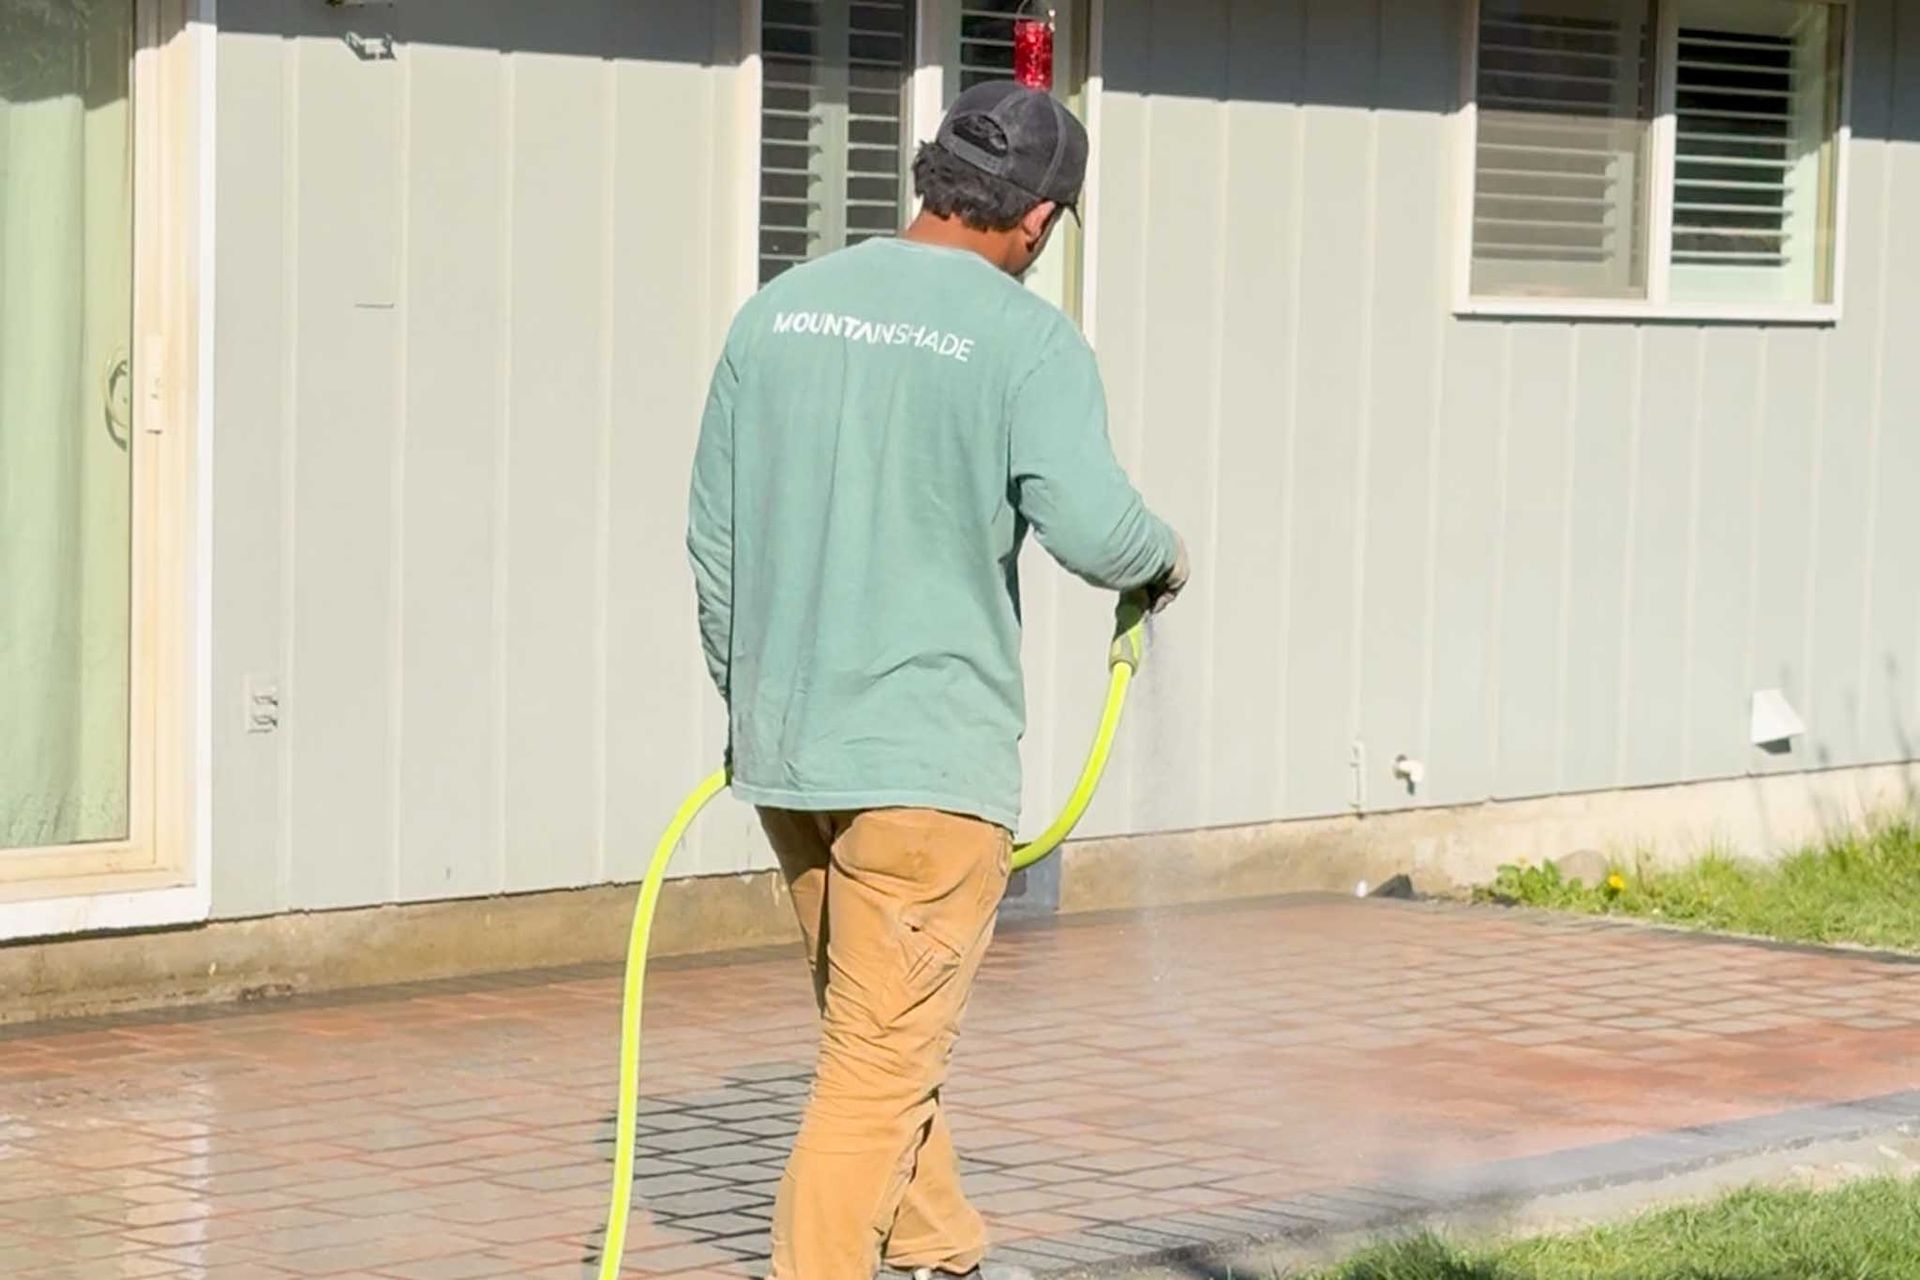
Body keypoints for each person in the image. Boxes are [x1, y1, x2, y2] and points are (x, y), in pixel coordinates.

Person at [686, 80, 1187, 1280]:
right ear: (1041, 219)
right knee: (874, 1068)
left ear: (932, 178)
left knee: (877, 1037)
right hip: (927, 772)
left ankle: (944, 1252)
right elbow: (1094, 527)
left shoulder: (779, 314)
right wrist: (1165, 557)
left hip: (792, 758)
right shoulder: (1026, 340)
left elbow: (716, 546)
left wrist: (754, 708)